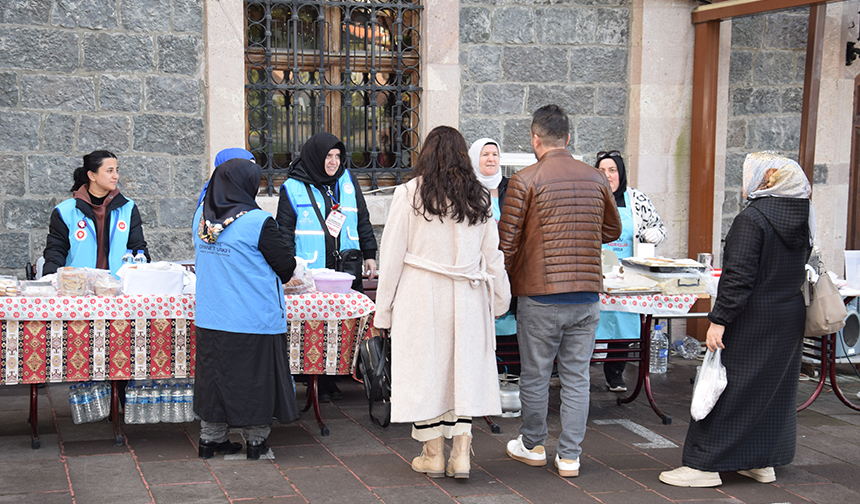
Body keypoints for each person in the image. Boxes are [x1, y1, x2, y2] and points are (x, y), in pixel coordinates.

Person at [659, 152, 813, 487]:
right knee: (771, 392)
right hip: (787, 316)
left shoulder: (753, 219)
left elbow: (738, 277)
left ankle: (704, 465)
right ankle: (760, 462)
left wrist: (719, 319)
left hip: (752, 316)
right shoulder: (803, 215)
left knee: (726, 387)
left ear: (764, 179)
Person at [374, 126, 511, 480]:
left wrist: (383, 310)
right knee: (463, 372)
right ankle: (462, 454)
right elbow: (493, 256)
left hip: (421, 293)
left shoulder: (409, 194)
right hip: (467, 294)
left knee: (426, 373)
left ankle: (433, 454)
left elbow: (391, 255)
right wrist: (500, 298)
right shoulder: (479, 196)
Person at [498, 105, 621, 478]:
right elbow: (612, 230)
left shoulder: (524, 180)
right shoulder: (597, 178)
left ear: (535, 139)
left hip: (539, 293)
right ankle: (570, 456)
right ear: (568, 138)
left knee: (535, 375)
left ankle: (533, 445)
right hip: (586, 294)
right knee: (577, 376)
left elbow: (508, 244)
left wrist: (502, 288)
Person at [193, 157, 299, 460]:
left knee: (214, 380)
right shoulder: (257, 222)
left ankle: (210, 440)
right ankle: (256, 442)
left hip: (212, 317)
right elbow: (285, 266)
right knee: (255, 381)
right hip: (252, 318)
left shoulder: (201, 218)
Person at [277, 132, 378, 401]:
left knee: (341, 325)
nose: (333, 162)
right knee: (315, 327)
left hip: (346, 268)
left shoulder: (347, 180)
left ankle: (336, 377)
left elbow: (362, 218)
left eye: (337, 156)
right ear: (314, 157)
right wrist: (287, 270)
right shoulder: (292, 187)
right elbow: (284, 232)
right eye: (328, 156)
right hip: (311, 271)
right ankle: (315, 380)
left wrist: (370, 253)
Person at [595, 150, 667, 392]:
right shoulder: (590, 196)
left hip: (629, 275)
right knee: (591, 324)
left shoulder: (637, 199)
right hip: (596, 273)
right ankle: (576, 375)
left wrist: (654, 235)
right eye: (602, 171)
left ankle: (615, 373)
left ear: (621, 173)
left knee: (624, 324)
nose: (607, 176)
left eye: (612, 170)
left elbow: (659, 227)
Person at [44, 150, 149, 276]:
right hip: (78, 287)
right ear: (92, 176)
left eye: (117, 170)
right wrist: (50, 279)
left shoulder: (128, 207)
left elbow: (138, 249)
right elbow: (55, 250)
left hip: (118, 287)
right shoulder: (65, 211)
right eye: (110, 171)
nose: (116, 176)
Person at [469, 137, 517, 370]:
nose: (491, 159)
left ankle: (507, 374)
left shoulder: (512, 187)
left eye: (495, 154)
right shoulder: (468, 190)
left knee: (508, 325)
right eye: (485, 154)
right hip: (479, 270)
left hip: (509, 265)